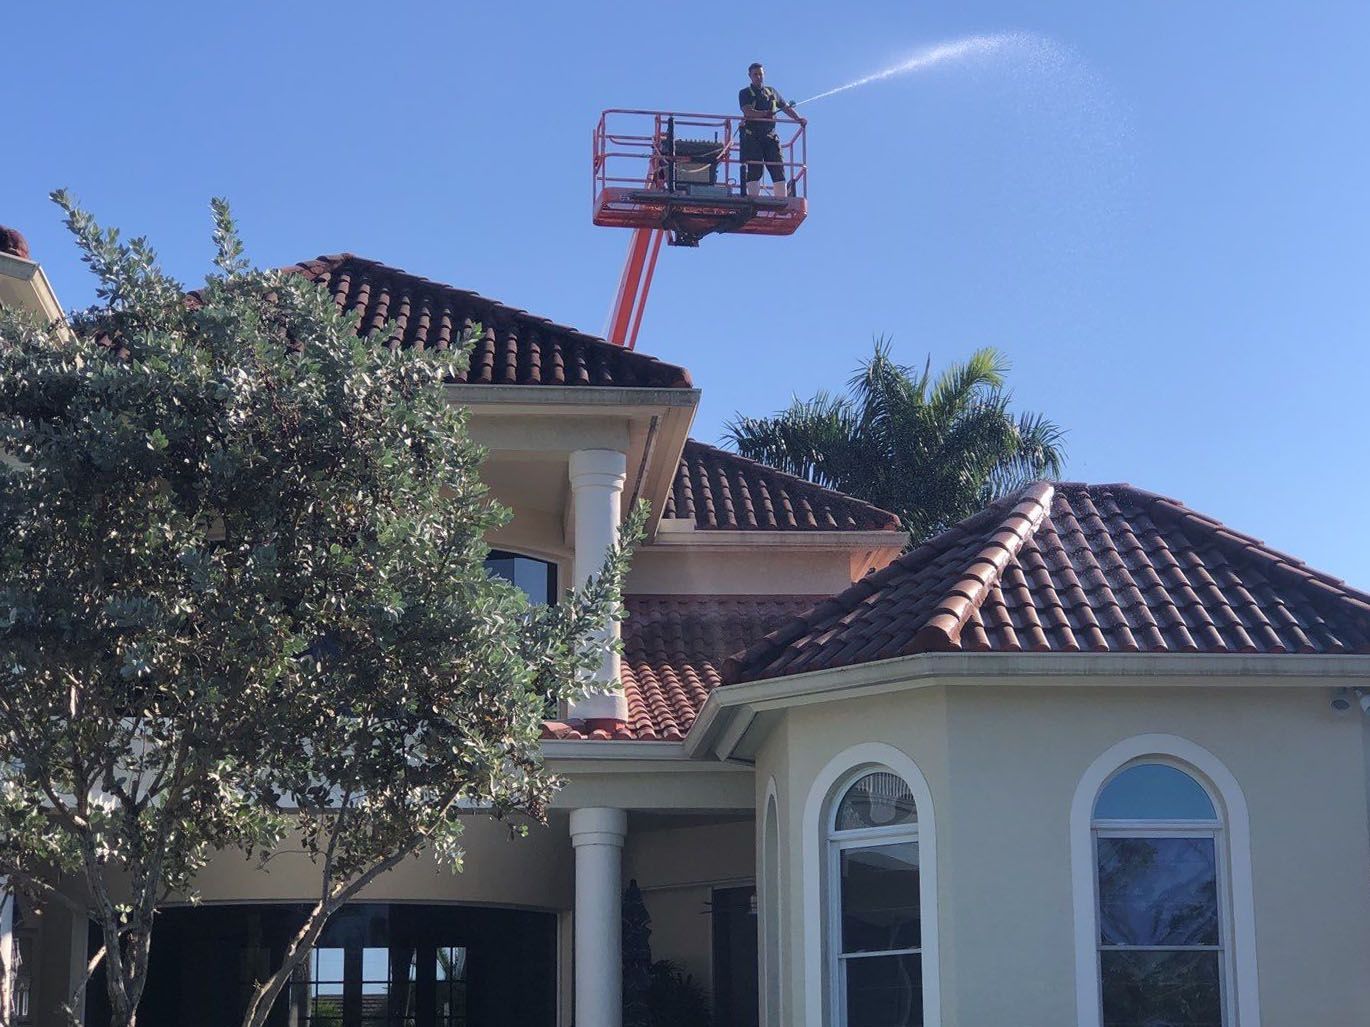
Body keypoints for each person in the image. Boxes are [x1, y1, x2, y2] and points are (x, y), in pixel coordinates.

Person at [738, 62, 805, 199]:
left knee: (777, 167)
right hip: (753, 137)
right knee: (755, 169)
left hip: (770, 136)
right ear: (750, 76)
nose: (758, 77)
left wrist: (799, 119)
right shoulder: (745, 93)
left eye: (760, 74)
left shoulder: (772, 92)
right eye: (755, 74)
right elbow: (747, 111)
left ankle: (781, 199)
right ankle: (753, 200)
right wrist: (765, 114)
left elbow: (786, 107)